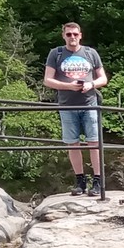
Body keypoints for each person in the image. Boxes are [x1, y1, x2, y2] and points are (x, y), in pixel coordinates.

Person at [42, 22, 107, 198]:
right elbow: (47, 80)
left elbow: (103, 78)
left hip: (89, 103)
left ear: (80, 35)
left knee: (94, 143)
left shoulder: (90, 53)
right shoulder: (56, 53)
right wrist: (68, 86)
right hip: (67, 105)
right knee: (73, 143)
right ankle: (80, 182)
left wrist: (91, 84)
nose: (72, 37)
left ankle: (97, 181)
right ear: (64, 35)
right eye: (69, 34)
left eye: (75, 34)